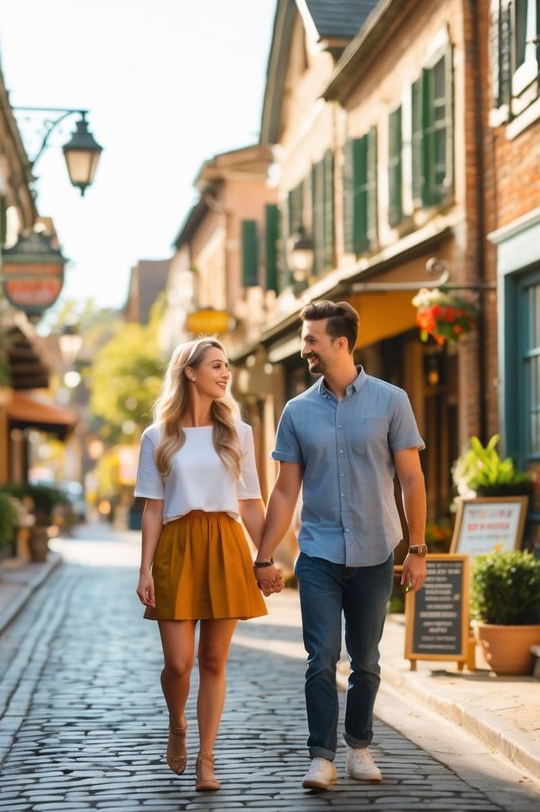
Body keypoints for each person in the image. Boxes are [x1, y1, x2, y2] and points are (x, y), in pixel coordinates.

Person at [253, 300, 428, 791]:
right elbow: (285, 490)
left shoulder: (392, 401)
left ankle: (359, 747)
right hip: (319, 555)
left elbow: (412, 480)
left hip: (376, 550)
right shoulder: (296, 411)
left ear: (340, 343)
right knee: (320, 657)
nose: (304, 348)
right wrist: (265, 556)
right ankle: (321, 757)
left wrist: (417, 549)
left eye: (311, 340)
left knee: (367, 658)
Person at [134, 336, 278, 792]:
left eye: (227, 366)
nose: (225, 373)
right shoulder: (157, 436)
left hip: (226, 544)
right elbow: (153, 508)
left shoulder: (239, 431)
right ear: (189, 372)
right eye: (215, 365)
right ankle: (177, 722)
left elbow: (252, 502)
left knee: (213, 659)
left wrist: (266, 557)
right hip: (177, 545)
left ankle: (206, 758)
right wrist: (144, 570)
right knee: (179, 664)